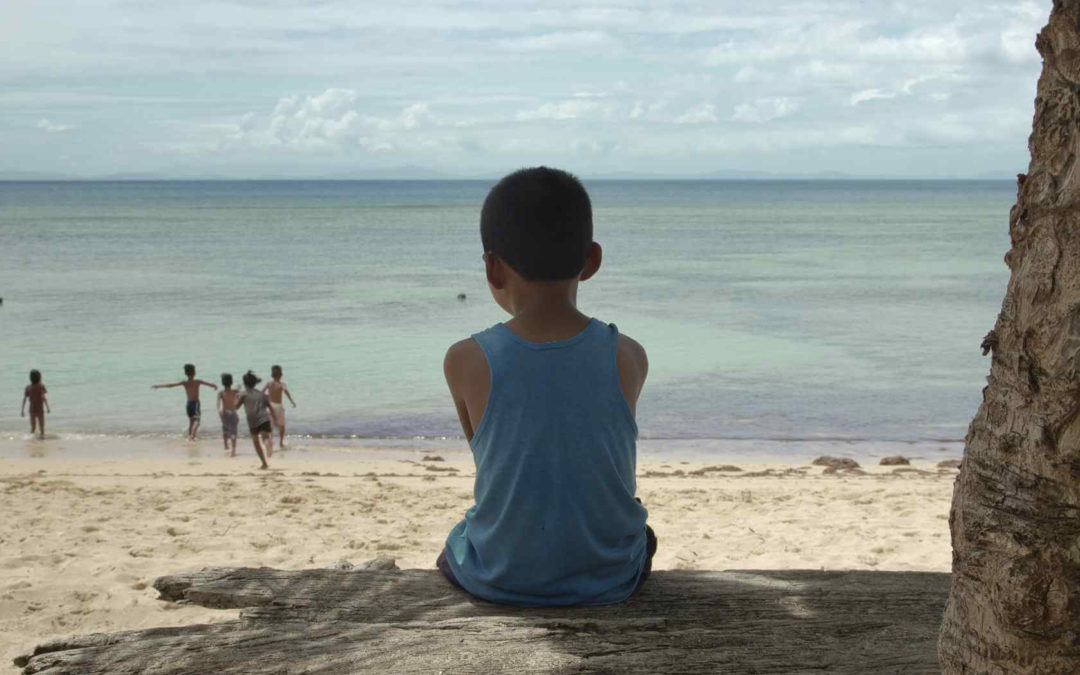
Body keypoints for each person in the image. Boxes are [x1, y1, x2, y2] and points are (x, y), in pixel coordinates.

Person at [437, 166, 656, 607]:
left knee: (456, 543)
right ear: (592, 260)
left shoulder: (464, 360)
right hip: (608, 579)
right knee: (643, 534)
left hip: (500, 577)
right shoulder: (628, 355)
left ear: (493, 269)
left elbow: (493, 461)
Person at [152, 364, 217, 441]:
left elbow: (171, 385)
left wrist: (159, 386)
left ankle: (189, 436)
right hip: (195, 404)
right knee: (197, 421)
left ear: (186, 373)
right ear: (194, 372)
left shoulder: (184, 383)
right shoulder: (197, 381)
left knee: (191, 421)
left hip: (188, 404)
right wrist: (214, 386)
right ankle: (192, 437)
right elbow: (210, 384)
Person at [236, 370, 271, 469]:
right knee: (265, 437)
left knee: (256, 442)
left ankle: (264, 463)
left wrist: (235, 397)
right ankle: (268, 445)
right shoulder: (262, 394)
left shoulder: (243, 394)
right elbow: (270, 407)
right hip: (264, 418)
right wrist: (275, 417)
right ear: (255, 383)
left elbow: (236, 407)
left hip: (252, 422)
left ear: (244, 383)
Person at [262, 364, 296, 448]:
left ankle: (270, 441)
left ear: (272, 374)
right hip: (278, 407)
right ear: (281, 374)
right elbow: (286, 393)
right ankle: (281, 442)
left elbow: (261, 392)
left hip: (270, 406)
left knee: (270, 425)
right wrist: (292, 401)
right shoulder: (282, 384)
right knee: (281, 425)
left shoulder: (269, 384)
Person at [21, 369, 50, 439]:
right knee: (42, 427)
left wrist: (22, 410)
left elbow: (24, 399)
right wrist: (48, 407)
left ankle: (31, 439)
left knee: (33, 427)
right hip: (40, 410)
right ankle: (42, 439)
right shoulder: (41, 386)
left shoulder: (28, 388)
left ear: (30, 378)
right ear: (40, 378)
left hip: (32, 410)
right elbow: (43, 397)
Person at [217, 373, 240, 455]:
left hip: (224, 413)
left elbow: (218, 404)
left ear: (222, 382)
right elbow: (240, 395)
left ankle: (226, 446)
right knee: (234, 432)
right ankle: (233, 449)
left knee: (225, 430)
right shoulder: (235, 391)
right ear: (232, 382)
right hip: (233, 413)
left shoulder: (221, 393)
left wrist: (219, 412)